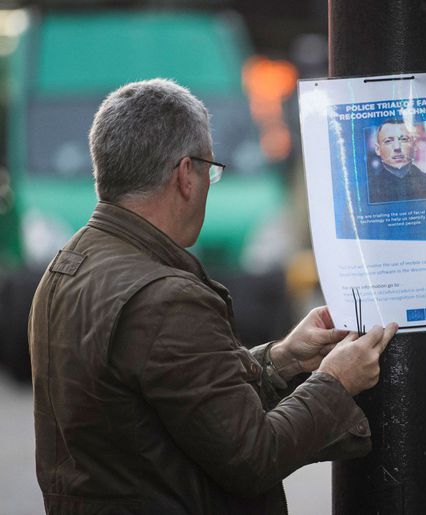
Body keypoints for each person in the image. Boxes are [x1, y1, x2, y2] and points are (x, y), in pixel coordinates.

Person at [27, 78, 398, 514]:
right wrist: (334, 383)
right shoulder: (167, 299)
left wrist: (283, 360)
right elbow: (253, 456)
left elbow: (176, 399)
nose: (208, 183)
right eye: (210, 170)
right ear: (186, 174)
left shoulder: (64, 267)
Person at [367, 118, 426, 203]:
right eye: (388, 141)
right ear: (378, 149)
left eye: (404, 139)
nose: (397, 147)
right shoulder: (367, 189)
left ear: (414, 145)